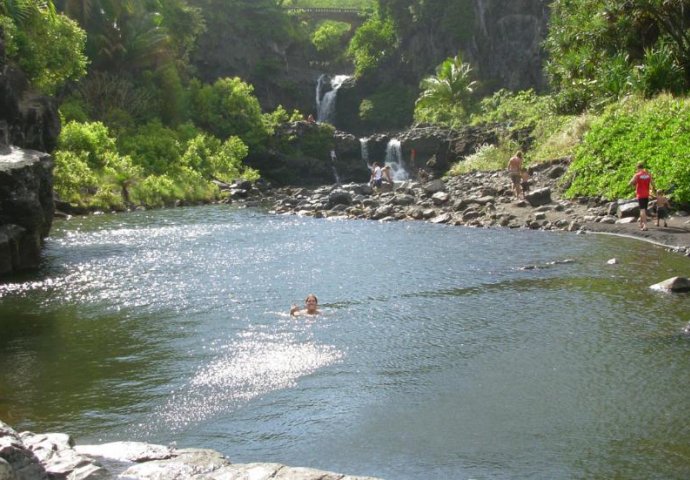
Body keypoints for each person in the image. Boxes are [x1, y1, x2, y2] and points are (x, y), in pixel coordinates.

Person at [628, 162, 655, 231]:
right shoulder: (648, 174)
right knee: (644, 209)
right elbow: (653, 184)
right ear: (643, 167)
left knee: (642, 209)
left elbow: (630, 183)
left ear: (637, 168)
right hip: (646, 194)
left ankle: (645, 225)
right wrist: (653, 191)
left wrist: (633, 183)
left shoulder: (637, 175)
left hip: (640, 194)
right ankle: (641, 223)